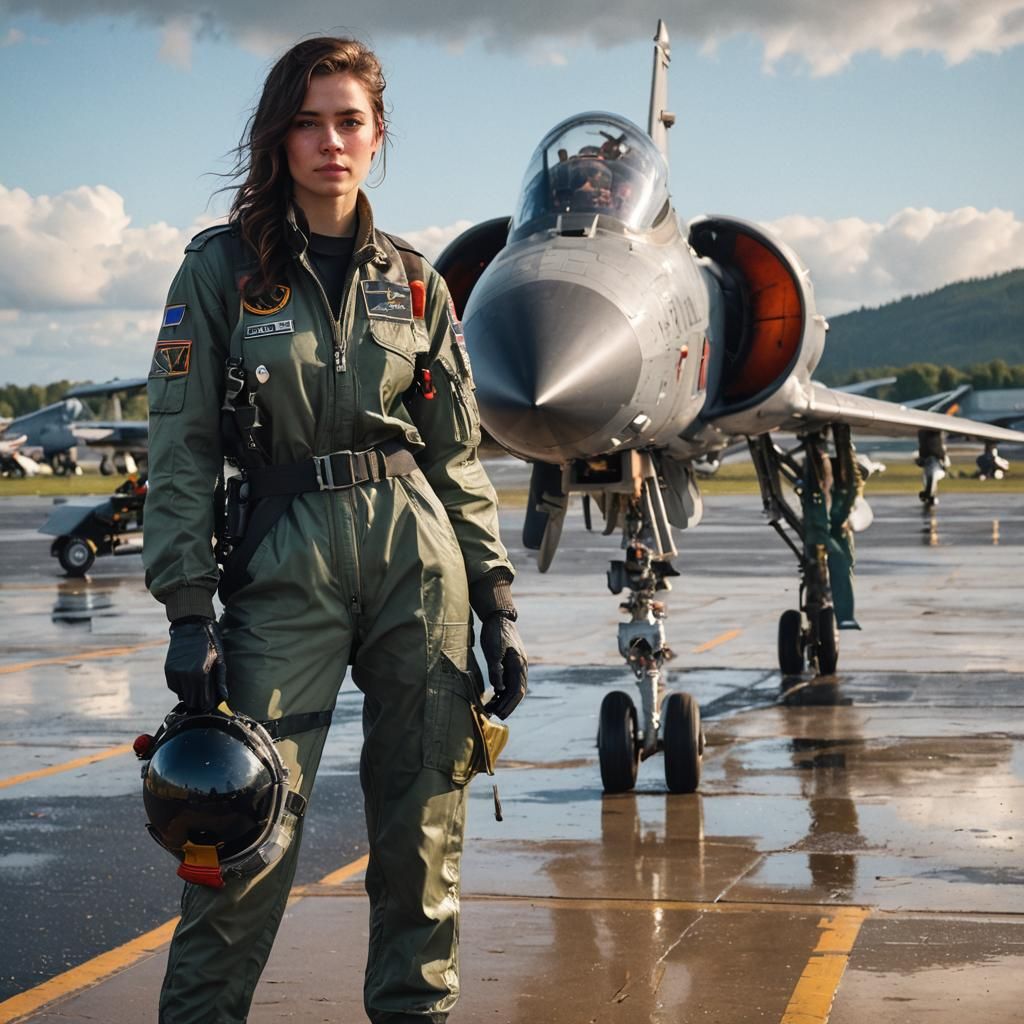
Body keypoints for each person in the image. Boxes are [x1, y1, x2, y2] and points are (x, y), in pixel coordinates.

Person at [143, 36, 528, 1024]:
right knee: (241, 820)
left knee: (424, 827)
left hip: (417, 559)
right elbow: (181, 442)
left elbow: (455, 455)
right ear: (278, 138)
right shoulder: (220, 271)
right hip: (285, 556)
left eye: (348, 120)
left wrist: (493, 595)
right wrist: (189, 605)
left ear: (377, 133)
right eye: (307, 121)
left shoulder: (417, 283)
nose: (329, 141)